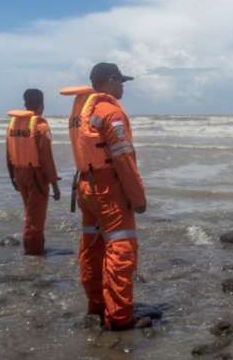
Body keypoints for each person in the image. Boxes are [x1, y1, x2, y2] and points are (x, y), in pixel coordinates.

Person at [60, 62, 150, 330]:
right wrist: (138, 198)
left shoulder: (82, 110)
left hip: (85, 187)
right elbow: (123, 158)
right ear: (109, 81)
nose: (123, 86)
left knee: (92, 246)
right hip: (108, 189)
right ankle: (120, 316)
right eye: (120, 81)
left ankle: (97, 306)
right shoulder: (110, 112)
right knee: (120, 249)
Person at [6, 89, 60, 255]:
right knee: (35, 218)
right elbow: (46, 158)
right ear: (41, 104)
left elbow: (8, 153)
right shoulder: (40, 125)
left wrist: (12, 178)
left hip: (19, 172)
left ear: (25, 103)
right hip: (36, 176)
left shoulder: (13, 124)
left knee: (30, 213)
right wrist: (55, 185)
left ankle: (36, 248)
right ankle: (33, 254)